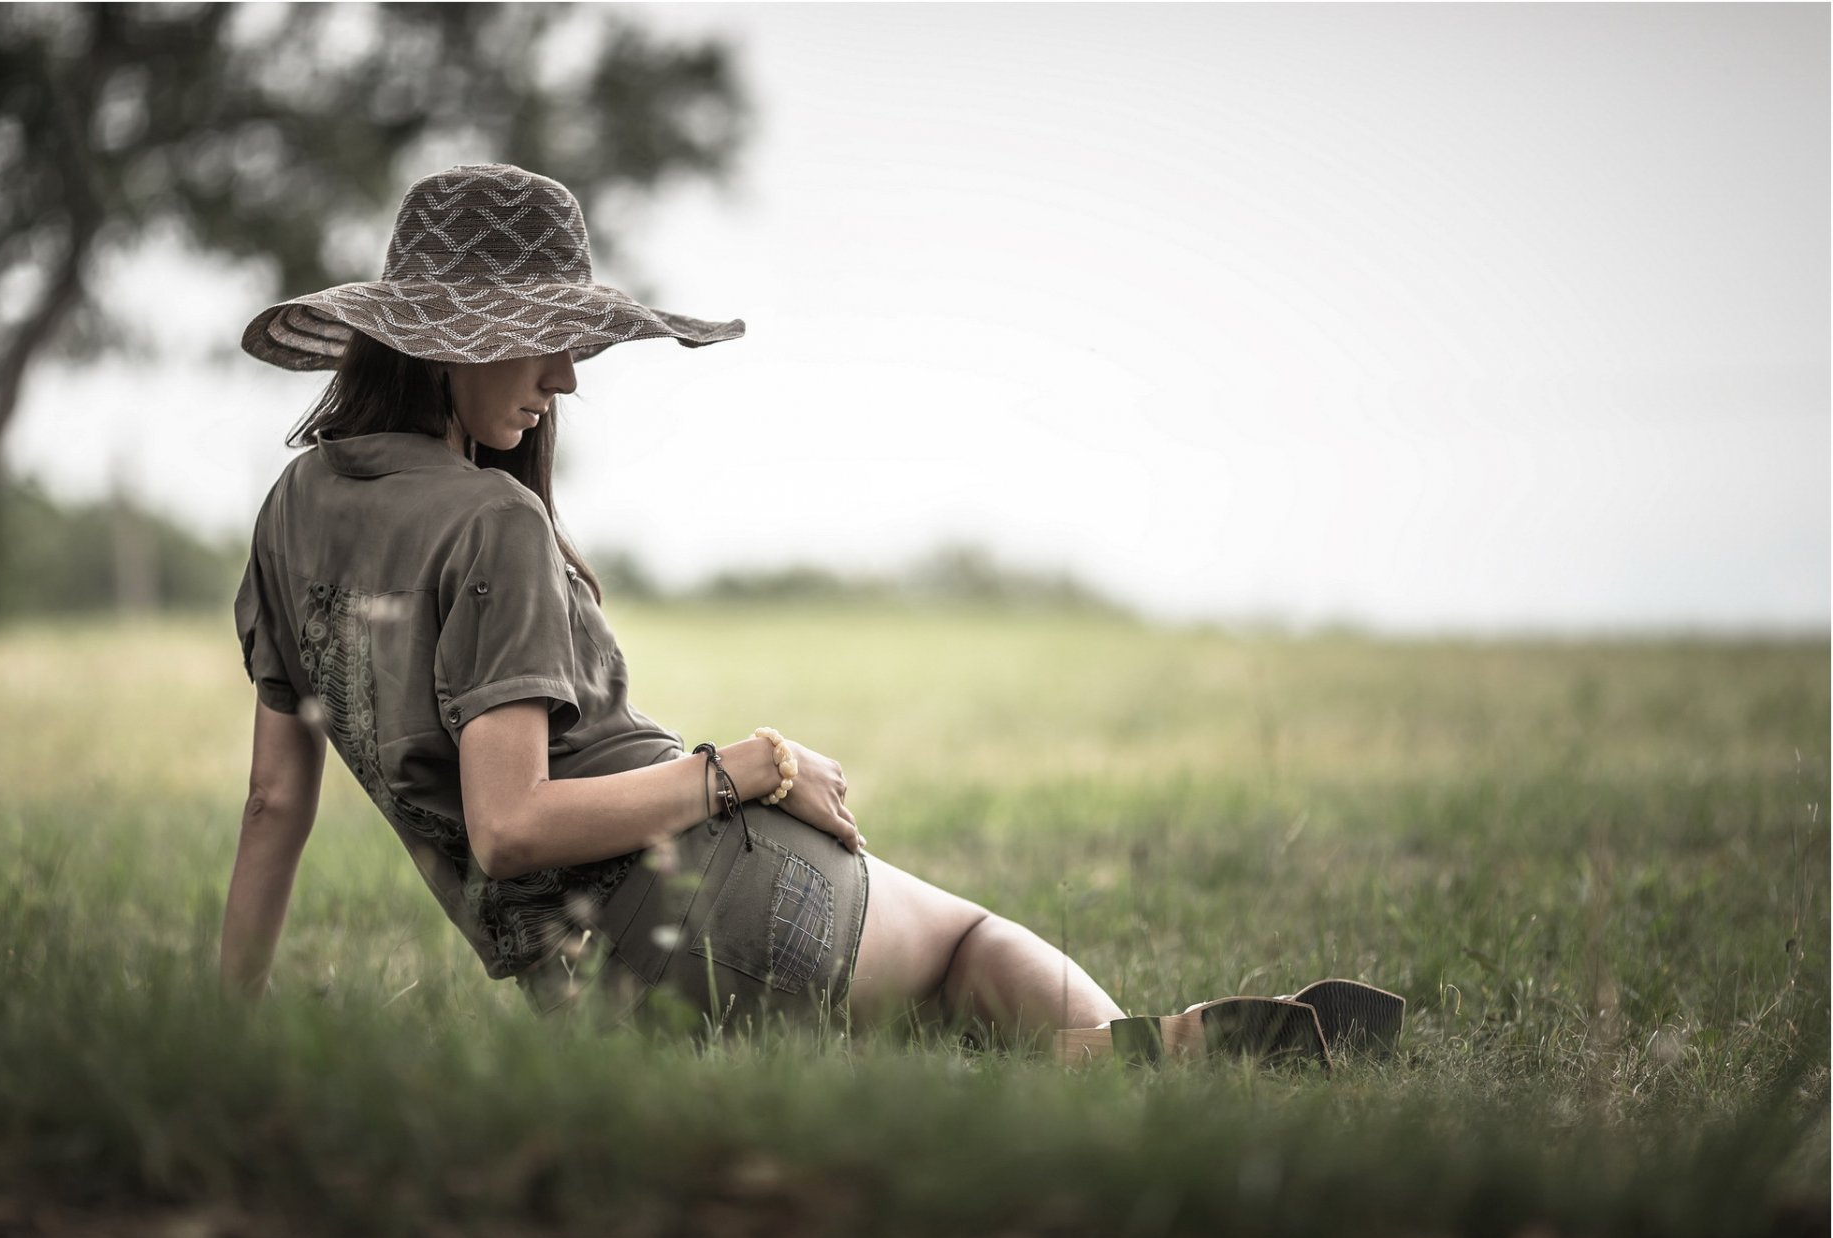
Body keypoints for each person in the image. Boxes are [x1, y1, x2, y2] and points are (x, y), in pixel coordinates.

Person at [220, 164, 1399, 1065]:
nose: (570, 376)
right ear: (442, 346)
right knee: (959, 946)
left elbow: (277, 800)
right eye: (545, 340)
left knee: (940, 1008)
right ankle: (1148, 1056)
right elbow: (512, 825)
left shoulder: (289, 514)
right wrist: (755, 766)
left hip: (585, 985)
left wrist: (231, 1034)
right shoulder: (494, 523)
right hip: (714, 895)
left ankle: (1140, 1060)